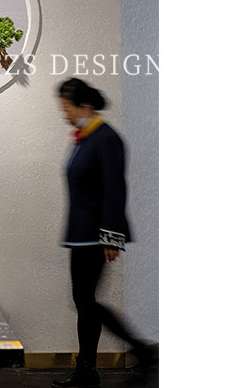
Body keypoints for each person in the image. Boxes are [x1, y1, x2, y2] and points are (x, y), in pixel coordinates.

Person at [53, 78, 154, 388]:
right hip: (80, 233)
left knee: (86, 301)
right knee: (84, 301)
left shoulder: (107, 138)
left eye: (67, 108)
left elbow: (114, 188)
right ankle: (88, 369)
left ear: (85, 106)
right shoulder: (86, 138)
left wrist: (111, 235)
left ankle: (135, 352)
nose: (65, 115)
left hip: (95, 235)